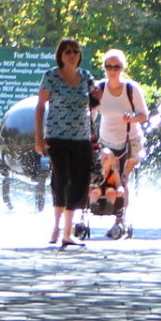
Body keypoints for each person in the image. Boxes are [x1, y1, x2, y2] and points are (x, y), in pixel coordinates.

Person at [34, 37, 95, 248]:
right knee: (62, 179)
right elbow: (40, 106)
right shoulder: (51, 76)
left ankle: (68, 232)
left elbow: (96, 101)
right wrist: (39, 138)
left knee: (79, 182)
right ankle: (57, 225)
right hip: (57, 136)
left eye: (75, 51)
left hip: (81, 137)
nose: (71, 54)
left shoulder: (86, 76)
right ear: (60, 55)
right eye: (67, 51)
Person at [92, 48, 149, 237]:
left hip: (129, 140)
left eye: (116, 67)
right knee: (104, 178)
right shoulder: (99, 89)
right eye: (108, 67)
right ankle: (100, 209)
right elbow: (90, 114)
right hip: (106, 141)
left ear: (122, 68)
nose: (112, 70)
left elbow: (144, 115)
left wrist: (131, 118)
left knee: (122, 177)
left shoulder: (131, 89)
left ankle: (120, 219)